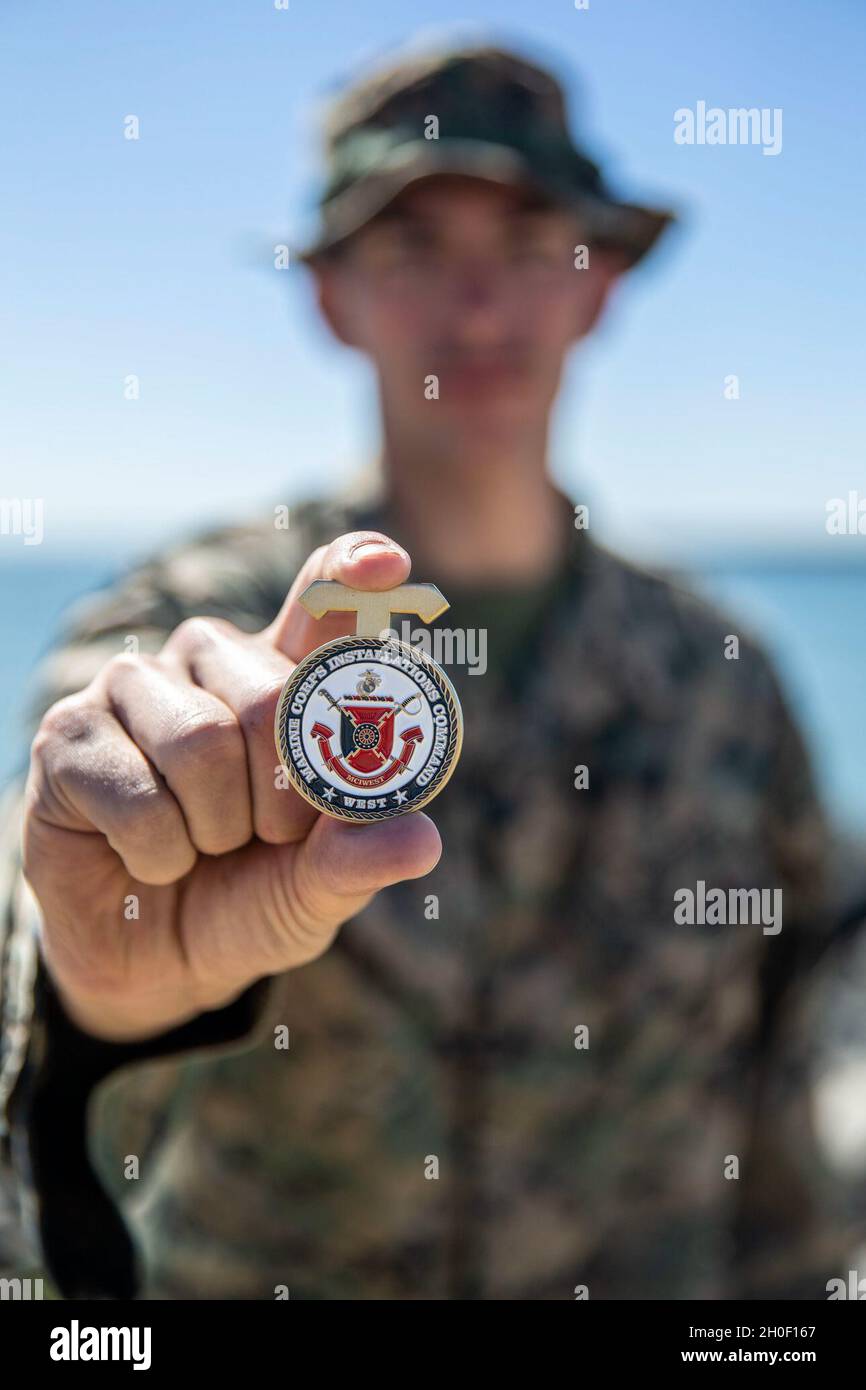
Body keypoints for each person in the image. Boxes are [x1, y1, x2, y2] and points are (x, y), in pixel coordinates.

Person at [0, 43, 856, 1300]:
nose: (477, 312)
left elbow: (792, 1088)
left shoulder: (725, 682)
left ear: (599, 286)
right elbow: (57, 921)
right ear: (333, 298)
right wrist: (101, 998)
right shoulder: (187, 636)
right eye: (411, 251)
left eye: (527, 247)